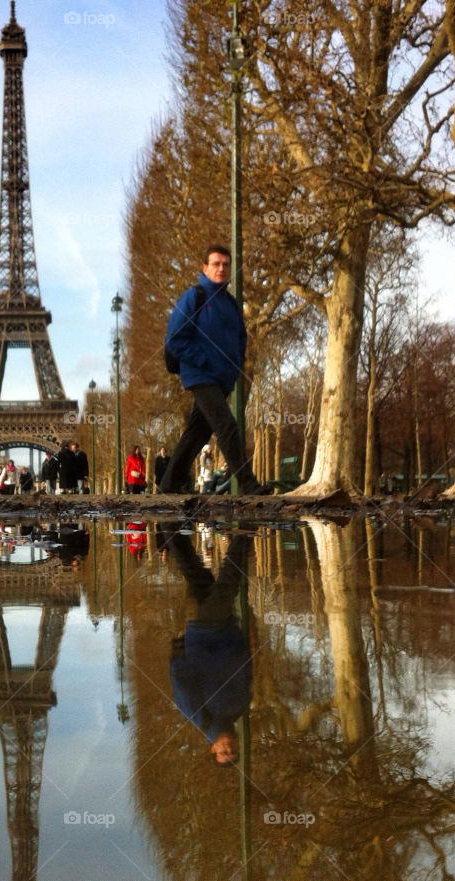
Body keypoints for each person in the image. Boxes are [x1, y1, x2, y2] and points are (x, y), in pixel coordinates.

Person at [158, 245, 270, 496]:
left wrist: (234, 368)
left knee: (196, 435)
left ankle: (168, 485)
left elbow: (241, 339)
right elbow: (174, 339)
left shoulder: (231, 304)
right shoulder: (193, 297)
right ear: (205, 268)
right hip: (200, 375)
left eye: (226, 264)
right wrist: (202, 361)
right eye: (216, 263)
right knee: (227, 426)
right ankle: (248, 484)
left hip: (221, 379)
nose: (221, 268)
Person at [160, 524, 252, 765]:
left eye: (224, 752)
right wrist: (244, 640)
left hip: (207, 634)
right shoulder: (238, 712)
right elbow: (246, 673)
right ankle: (170, 528)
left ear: (213, 749)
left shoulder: (200, 717)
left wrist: (178, 651)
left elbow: (181, 682)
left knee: (231, 578)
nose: (229, 748)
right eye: (233, 752)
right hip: (225, 630)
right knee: (196, 574)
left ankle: (247, 528)